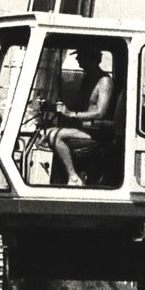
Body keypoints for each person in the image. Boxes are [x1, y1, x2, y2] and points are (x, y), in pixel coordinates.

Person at [43, 46, 115, 187]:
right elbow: (76, 106)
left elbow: (101, 112)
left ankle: (73, 177)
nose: (77, 59)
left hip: (95, 131)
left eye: (80, 56)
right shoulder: (88, 79)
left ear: (91, 58)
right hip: (83, 128)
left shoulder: (105, 81)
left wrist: (72, 114)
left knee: (56, 136)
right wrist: (54, 107)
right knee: (46, 132)